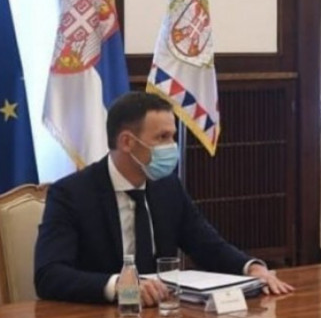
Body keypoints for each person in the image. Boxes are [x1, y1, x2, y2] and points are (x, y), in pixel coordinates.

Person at [34, 91, 293, 306]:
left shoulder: (167, 187)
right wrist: (120, 286)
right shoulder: (71, 194)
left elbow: (207, 245)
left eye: (172, 136)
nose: (171, 146)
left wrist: (252, 269)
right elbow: (49, 275)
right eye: (162, 138)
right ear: (127, 142)